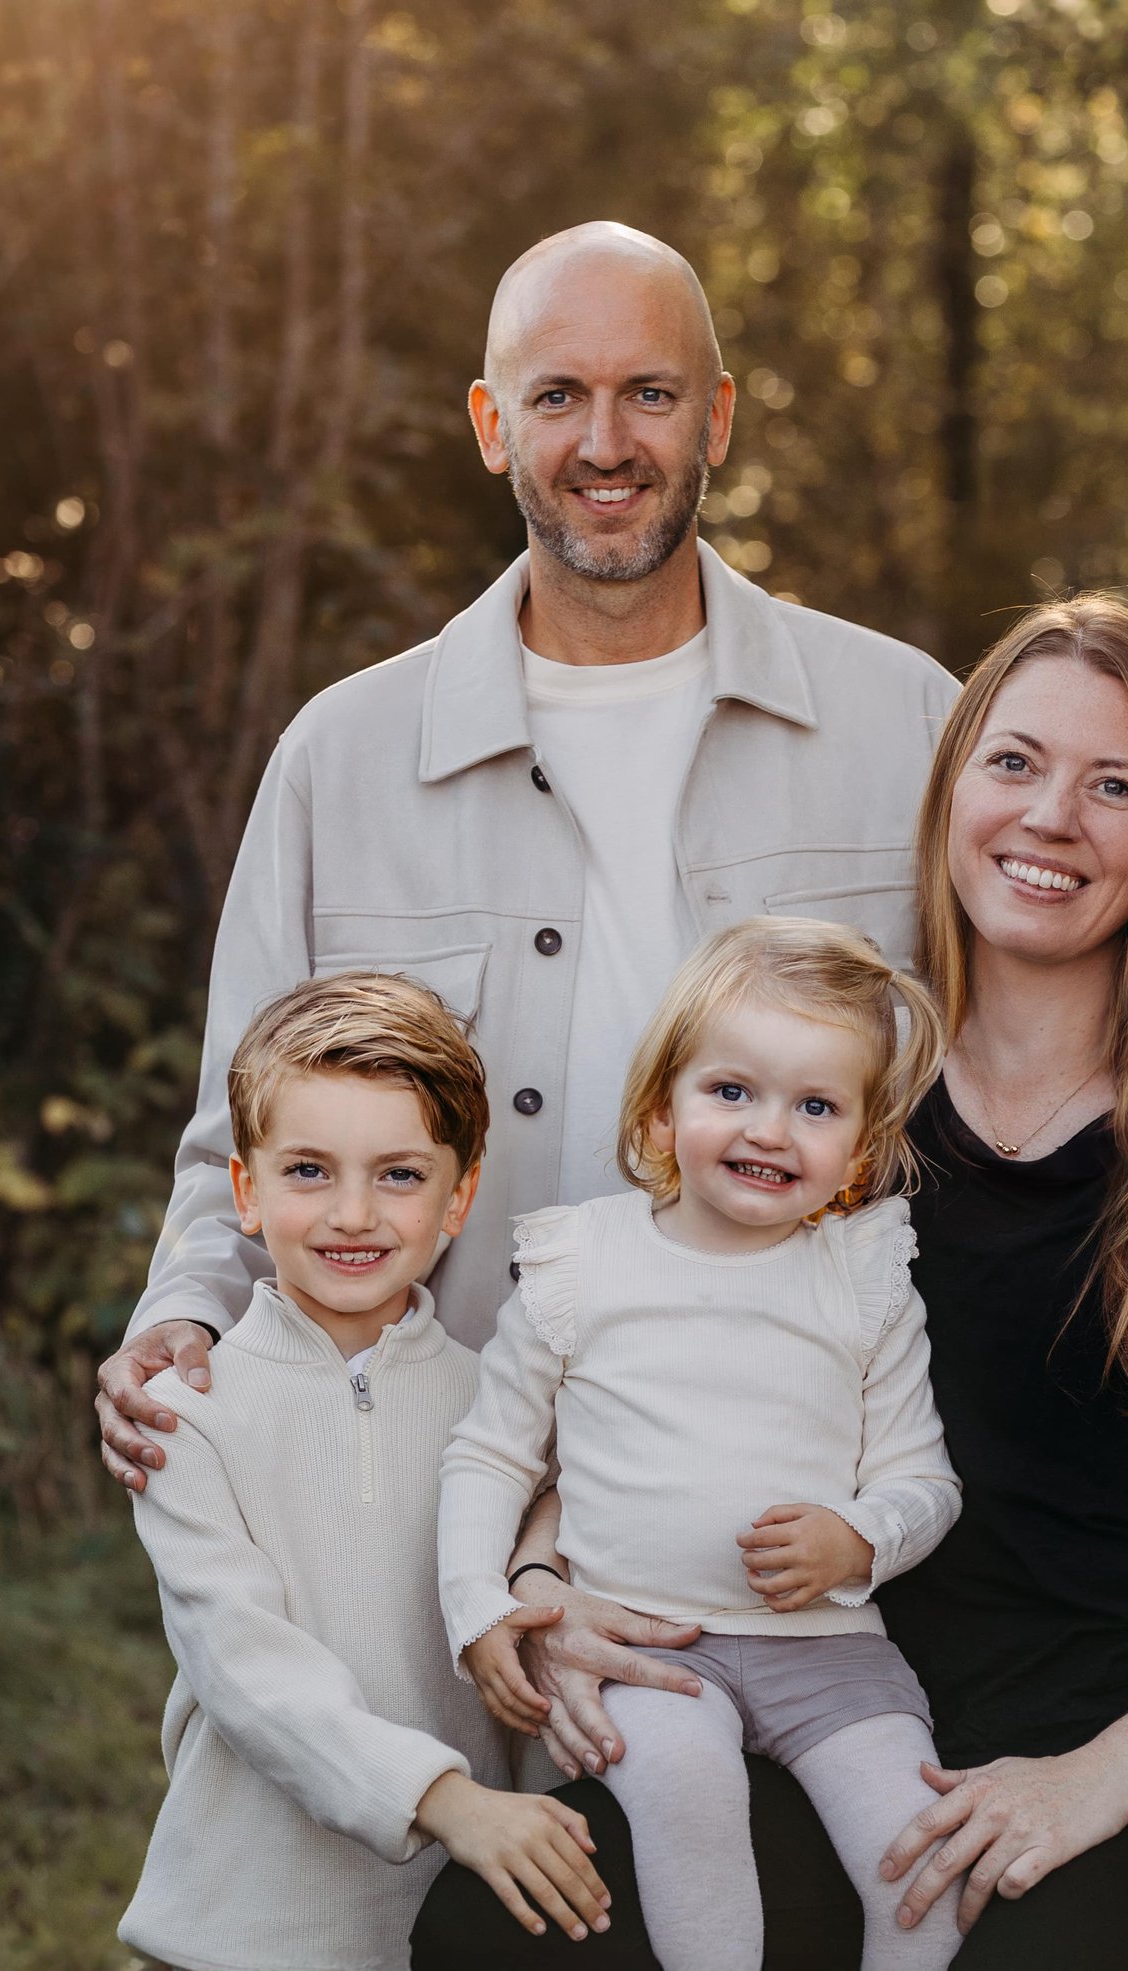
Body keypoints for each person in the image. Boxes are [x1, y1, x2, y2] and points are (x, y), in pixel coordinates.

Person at [417, 597, 1128, 1970]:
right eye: (1013, 763)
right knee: (502, 1933)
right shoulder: (839, 1088)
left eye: (1117, 787)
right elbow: (652, 1349)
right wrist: (545, 1572)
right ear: (952, 788)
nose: (1051, 818)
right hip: (839, 1708)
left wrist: (1092, 1781)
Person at [93, 221, 958, 1517]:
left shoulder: (912, 727)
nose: (605, 444)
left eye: (649, 393)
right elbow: (241, 1134)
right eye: (558, 397)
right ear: (493, 426)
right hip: (426, 1492)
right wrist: (183, 1312)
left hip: (799, 1510)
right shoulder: (344, 758)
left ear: (717, 418)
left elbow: (1015, 1101)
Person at [436, 918, 963, 1969]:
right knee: (688, 1801)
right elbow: (491, 1454)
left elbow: (924, 1479)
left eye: (816, 1106)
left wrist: (858, 1538)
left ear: (860, 1148)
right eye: (732, 1090)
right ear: (660, 1110)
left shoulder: (861, 1281)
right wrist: (478, 1603)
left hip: (831, 1653)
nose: (771, 1130)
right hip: (647, 1647)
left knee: (921, 1859)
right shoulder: (585, 1261)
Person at [117, 972, 609, 1971]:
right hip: (243, 1928)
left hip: (456, 1924)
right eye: (308, 1170)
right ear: (246, 1191)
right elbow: (244, 1664)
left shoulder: (503, 1409)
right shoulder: (188, 1414)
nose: (353, 1213)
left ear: (458, 1197)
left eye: (399, 1175)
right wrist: (446, 1799)